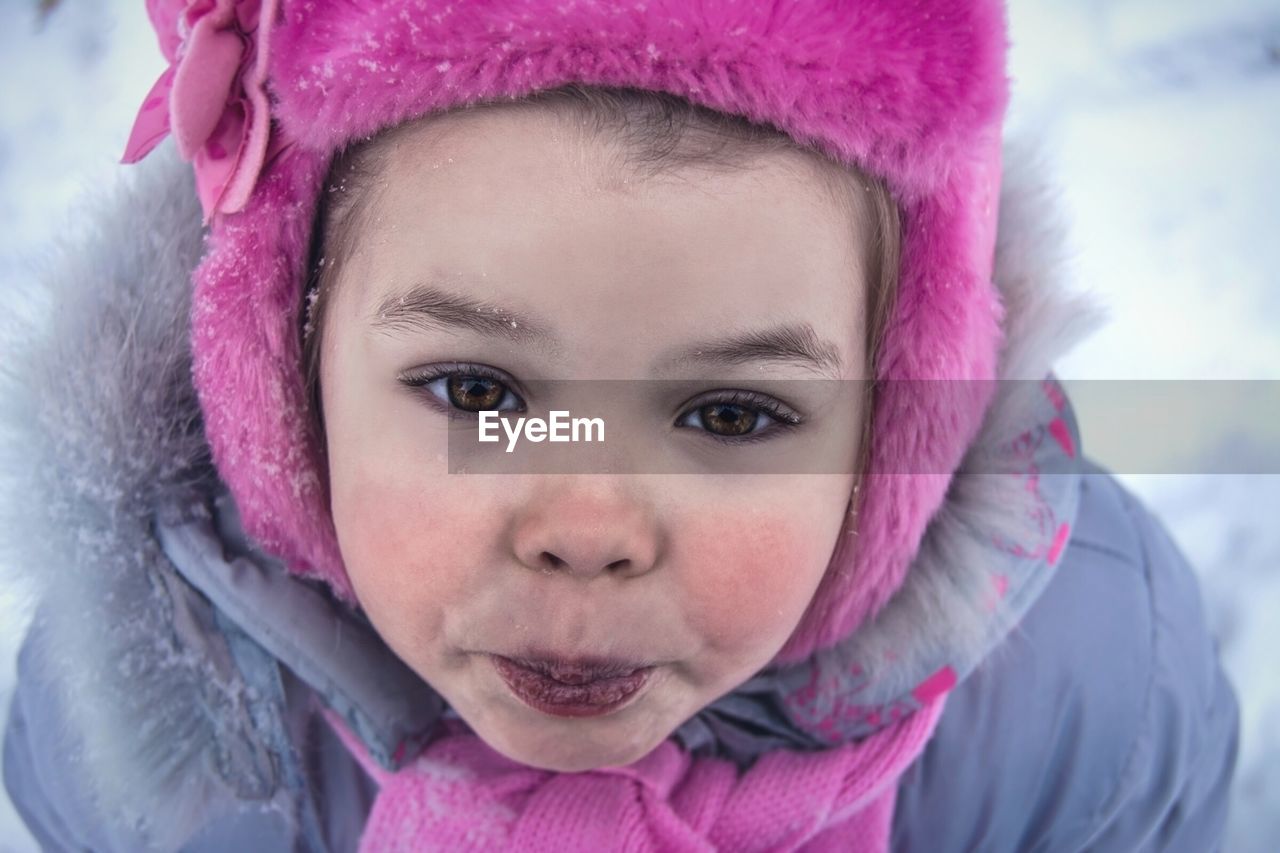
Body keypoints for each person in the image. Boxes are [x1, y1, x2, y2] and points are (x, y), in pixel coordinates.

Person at [0, 0, 1239, 850]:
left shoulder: (1085, 688)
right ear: (282, 369)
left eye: (730, 412)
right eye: (478, 393)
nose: (587, 523)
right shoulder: (132, 723)